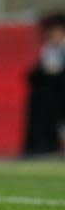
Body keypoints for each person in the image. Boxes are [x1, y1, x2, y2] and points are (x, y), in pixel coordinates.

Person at [24, 12, 65, 156]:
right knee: (40, 96)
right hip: (53, 94)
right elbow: (38, 72)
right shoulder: (49, 50)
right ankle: (42, 145)